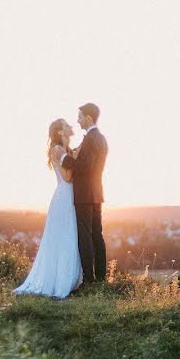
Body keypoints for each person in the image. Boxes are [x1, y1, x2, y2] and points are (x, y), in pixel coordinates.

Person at [14, 119, 83, 298]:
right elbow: (68, 177)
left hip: (70, 197)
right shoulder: (57, 150)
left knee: (70, 238)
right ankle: (59, 281)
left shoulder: (67, 150)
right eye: (67, 125)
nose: (71, 127)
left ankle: (69, 277)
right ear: (60, 132)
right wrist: (76, 157)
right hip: (63, 199)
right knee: (63, 238)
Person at [61, 102, 108, 283]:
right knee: (97, 234)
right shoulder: (101, 138)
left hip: (84, 194)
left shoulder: (90, 139)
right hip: (96, 192)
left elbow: (84, 167)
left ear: (88, 118)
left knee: (86, 235)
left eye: (80, 117)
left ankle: (89, 279)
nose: (78, 121)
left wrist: (64, 158)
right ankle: (101, 277)